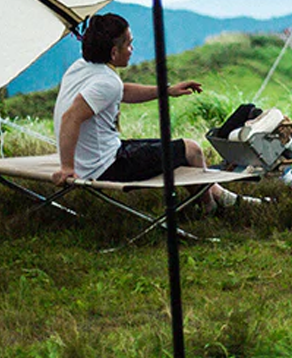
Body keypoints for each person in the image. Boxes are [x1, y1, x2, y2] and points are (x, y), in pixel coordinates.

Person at [51, 13, 257, 210]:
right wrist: (67, 169)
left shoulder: (82, 67)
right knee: (191, 150)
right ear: (114, 52)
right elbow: (71, 116)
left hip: (97, 156)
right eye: (129, 43)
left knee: (173, 150)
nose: (132, 48)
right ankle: (208, 207)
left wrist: (168, 90)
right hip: (105, 167)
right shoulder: (107, 82)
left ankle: (221, 195)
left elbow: (121, 91)